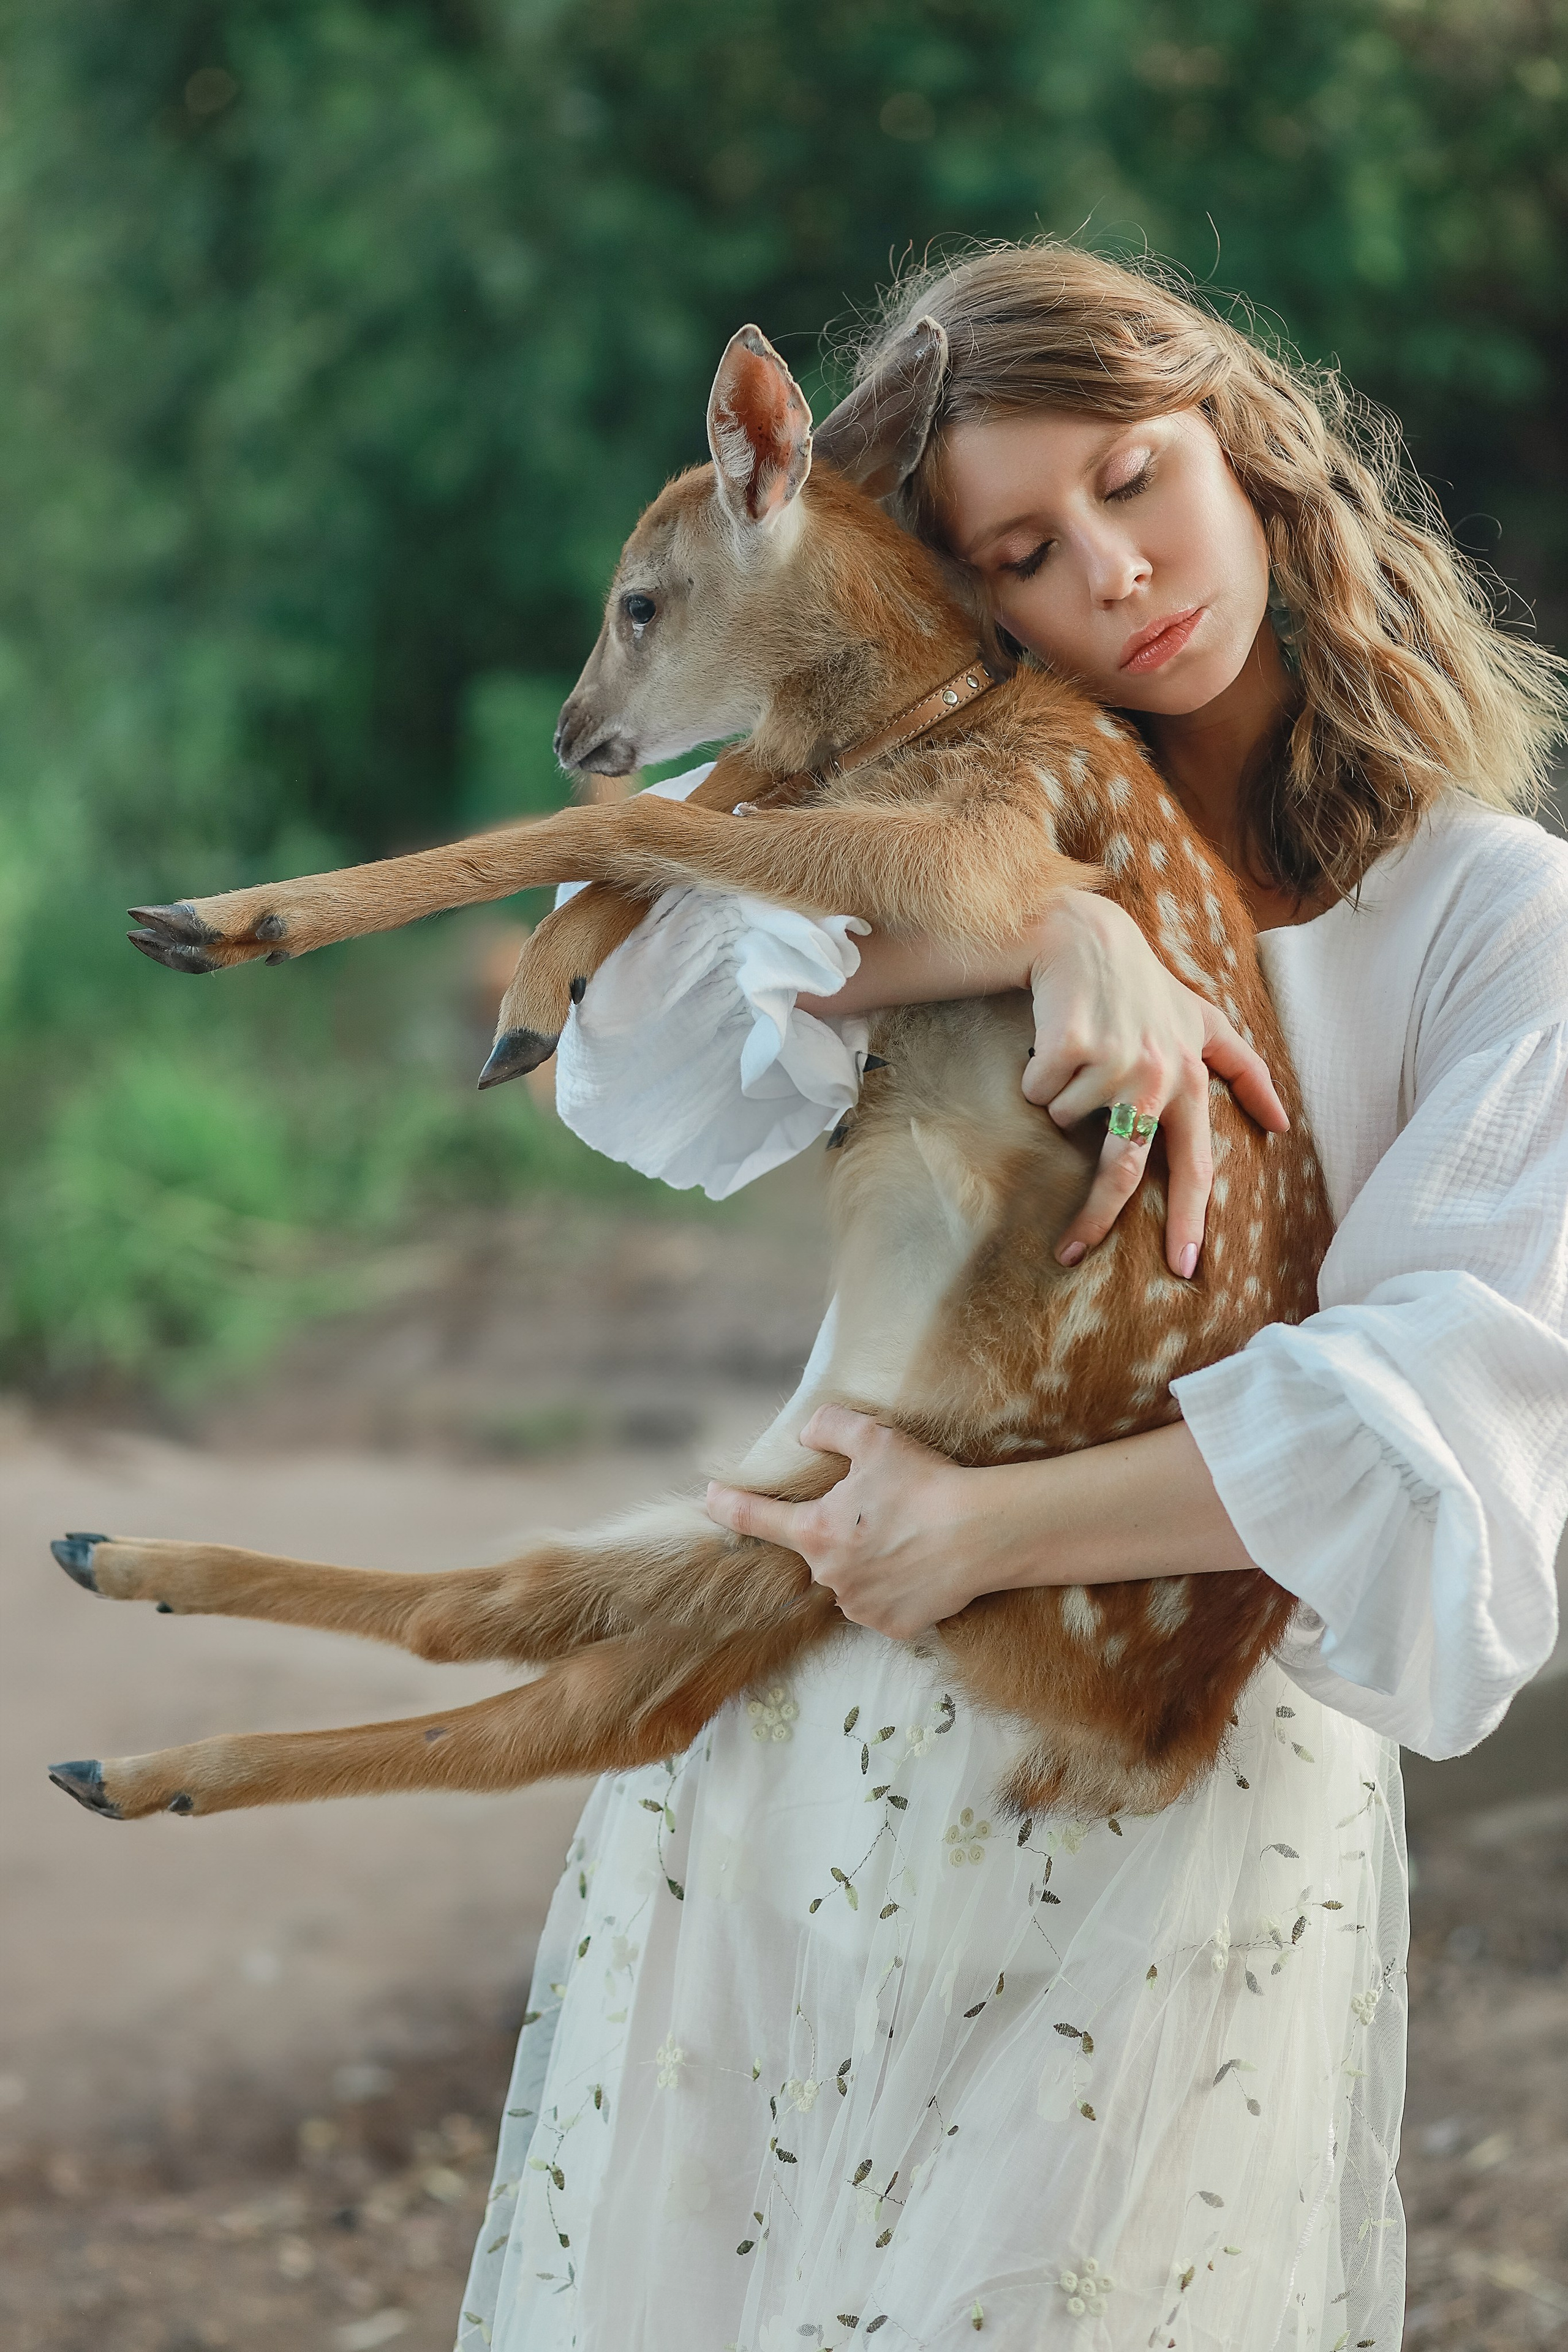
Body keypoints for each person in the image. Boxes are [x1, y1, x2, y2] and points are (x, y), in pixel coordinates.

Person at [457, 244, 1568, 2352]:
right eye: (1029, 554)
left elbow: (1461, 1411)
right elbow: (649, 1061)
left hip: (1151, 1745)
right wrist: (1041, 921)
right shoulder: (931, 801)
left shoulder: (1484, 919)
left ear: (1243, 447)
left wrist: (970, 1535)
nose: (1119, 575)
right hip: (802, 1702)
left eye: (1138, 483)